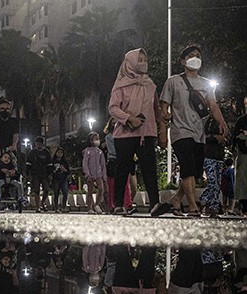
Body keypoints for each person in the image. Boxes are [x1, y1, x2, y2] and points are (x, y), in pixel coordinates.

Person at [155, 44, 229, 217]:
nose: (195, 58)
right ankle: (193, 206)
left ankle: (176, 199)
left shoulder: (206, 84)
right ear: (183, 61)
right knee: (187, 168)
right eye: (191, 56)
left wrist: (222, 123)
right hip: (180, 132)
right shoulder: (173, 81)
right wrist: (162, 132)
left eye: (198, 56)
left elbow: (213, 105)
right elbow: (163, 108)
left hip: (199, 133)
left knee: (194, 173)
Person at [107, 48, 163, 215]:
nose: (143, 62)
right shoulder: (120, 85)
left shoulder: (150, 85)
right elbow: (113, 108)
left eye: (144, 59)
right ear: (129, 62)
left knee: (149, 168)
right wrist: (129, 118)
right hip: (125, 133)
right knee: (123, 168)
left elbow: (156, 108)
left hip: (146, 133)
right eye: (139, 59)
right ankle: (118, 205)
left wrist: (161, 128)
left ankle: (155, 204)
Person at [201, 115, 227, 216]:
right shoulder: (205, 120)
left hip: (219, 156)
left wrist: (224, 137)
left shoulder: (222, 121)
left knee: (217, 183)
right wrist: (213, 137)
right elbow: (201, 135)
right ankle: (204, 201)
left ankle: (214, 207)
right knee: (212, 181)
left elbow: (227, 136)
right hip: (209, 155)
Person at [82, 132, 107, 214]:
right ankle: (90, 207)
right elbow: (85, 163)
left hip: (99, 174)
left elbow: (103, 164)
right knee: (90, 191)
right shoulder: (87, 151)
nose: (97, 141)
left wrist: (104, 176)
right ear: (90, 140)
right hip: (90, 174)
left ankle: (97, 204)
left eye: (98, 139)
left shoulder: (100, 152)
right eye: (95, 139)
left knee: (101, 189)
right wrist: (87, 174)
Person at [26, 136, 53, 212]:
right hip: (35, 174)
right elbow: (28, 163)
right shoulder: (32, 152)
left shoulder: (46, 152)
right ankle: (38, 206)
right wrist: (28, 172)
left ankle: (42, 203)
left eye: (40, 144)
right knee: (36, 190)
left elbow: (49, 164)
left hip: (45, 174)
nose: (38, 145)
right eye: (37, 144)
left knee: (46, 189)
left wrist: (50, 173)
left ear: (42, 144)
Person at [51, 147, 70, 212]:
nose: (59, 154)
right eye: (58, 152)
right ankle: (56, 207)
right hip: (56, 179)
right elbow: (50, 170)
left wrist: (64, 170)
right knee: (56, 193)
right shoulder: (53, 161)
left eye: (61, 153)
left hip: (63, 179)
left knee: (65, 192)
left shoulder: (64, 162)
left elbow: (68, 171)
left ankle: (63, 207)